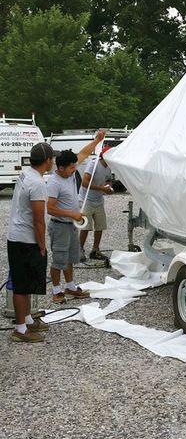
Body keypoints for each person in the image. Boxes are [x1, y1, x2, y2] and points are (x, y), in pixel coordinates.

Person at [46, 130, 105, 304]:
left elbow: (84, 153)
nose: (74, 170)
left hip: (70, 224)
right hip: (59, 225)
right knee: (59, 258)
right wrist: (72, 214)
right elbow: (49, 208)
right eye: (72, 168)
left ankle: (70, 286)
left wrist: (97, 141)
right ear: (61, 167)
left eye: (74, 167)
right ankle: (56, 290)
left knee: (71, 257)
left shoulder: (69, 171)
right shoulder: (54, 182)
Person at [6, 142, 57, 342]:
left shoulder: (27, 174)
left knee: (26, 282)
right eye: (52, 159)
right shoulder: (36, 183)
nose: (52, 162)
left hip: (18, 236)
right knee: (22, 284)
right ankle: (20, 330)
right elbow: (38, 220)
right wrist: (42, 245)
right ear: (47, 161)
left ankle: (27, 319)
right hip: (25, 239)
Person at [79, 144, 114, 262]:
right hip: (87, 199)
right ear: (103, 156)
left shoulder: (109, 167)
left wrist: (109, 186)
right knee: (85, 226)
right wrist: (102, 189)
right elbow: (84, 182)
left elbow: (109, 179)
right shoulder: (93, 164)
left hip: (98, 200)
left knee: (100, 225)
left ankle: (95, 250)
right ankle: (79, 250)